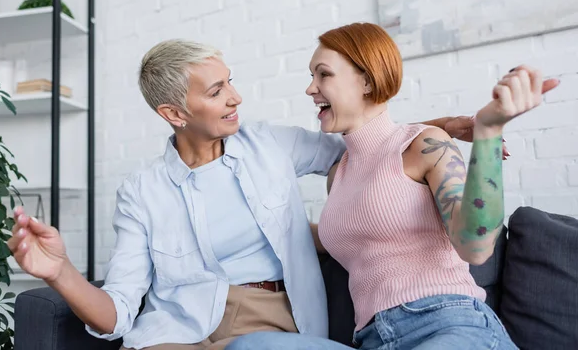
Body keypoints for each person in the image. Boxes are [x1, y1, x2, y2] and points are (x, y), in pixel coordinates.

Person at [8, 39, 482, 350]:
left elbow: (366, 143)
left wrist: (437, 128)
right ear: (174, 113)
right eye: (217, 91)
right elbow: (115, 315)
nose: (236, 97)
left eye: (230, 80)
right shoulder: (141, 192)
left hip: (272, 326)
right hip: (178, 331)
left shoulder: (270, 144)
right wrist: (60, 272)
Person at [225, 23, 560, 350]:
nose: (310, 88)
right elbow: (350, 202)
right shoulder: (338, 174)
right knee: (251, 345)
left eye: (323, 74)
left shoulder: (424, 144)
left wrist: (488, 130)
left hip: (448, 324)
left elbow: (476, 246)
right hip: (372, 340)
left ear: (367, 81)